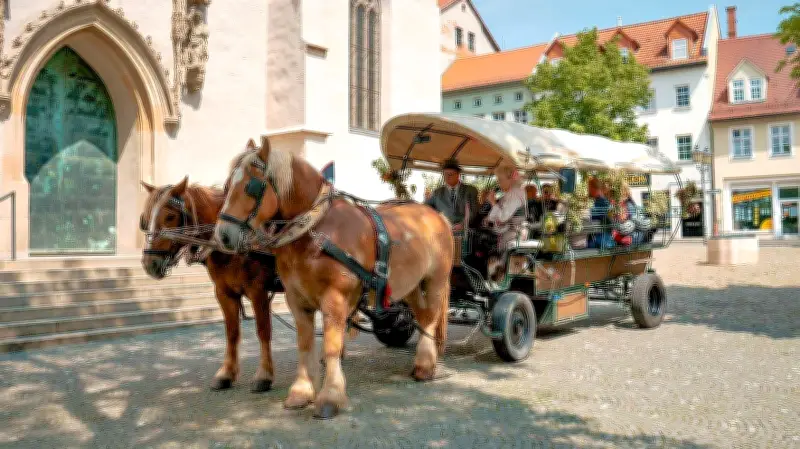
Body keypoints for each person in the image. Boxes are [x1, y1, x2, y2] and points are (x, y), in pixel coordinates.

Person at [424, 158, 479, 232]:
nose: (447, 177)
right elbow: (426, 208)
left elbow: (473, 211)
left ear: (458, 175)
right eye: (445, 174)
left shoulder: (470, 190)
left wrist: (463, 224)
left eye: (450, 174)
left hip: (465, 232)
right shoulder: (437, 192)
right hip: (444, 231)